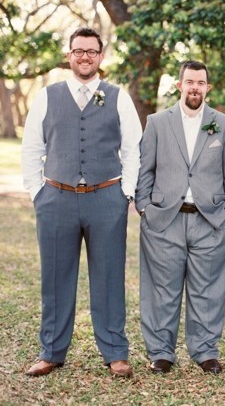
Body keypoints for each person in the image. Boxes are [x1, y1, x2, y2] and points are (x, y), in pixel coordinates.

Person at [21, 27, 142, 377]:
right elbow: (31, 148)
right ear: (69, 55)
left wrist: (125, 193)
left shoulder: (118, 97)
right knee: (55, 277)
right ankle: (51, 351)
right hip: (55, 199)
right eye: (78, 50)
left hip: (107, 199)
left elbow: (133, 148)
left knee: (109, 277)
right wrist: (37, 192)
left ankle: (115, 352)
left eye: (91, 51)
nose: (85, 56)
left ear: (101, 57)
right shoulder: (47, 96)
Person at [135, 60, 225, 375]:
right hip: (164, 219)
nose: (195, 87)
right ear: (179, 85)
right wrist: (145, 208)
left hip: (211, 220)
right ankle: (161, 353)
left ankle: (205, 351)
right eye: (190, 82)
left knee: (208, 289)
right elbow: (145, 170)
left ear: (208, 87)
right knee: (161, 289)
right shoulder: (157, 122)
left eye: (201, 83)